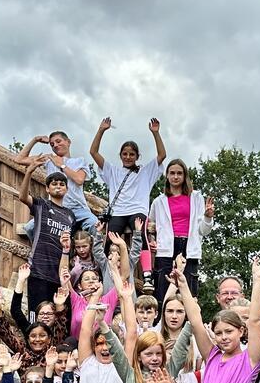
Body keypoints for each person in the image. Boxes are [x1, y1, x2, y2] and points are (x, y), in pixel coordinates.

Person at [88, 116, 166, 275]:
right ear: (120, 155)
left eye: (131, 154)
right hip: (118, 211)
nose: (128, 157)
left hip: (137, 209)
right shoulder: (113, 171)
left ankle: (147, 273)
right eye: (125, 154)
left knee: (142, 234)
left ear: (137, 156)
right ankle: (106, 273)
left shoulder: (145, 172)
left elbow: (162, 155)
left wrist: (156, 133)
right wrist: (101, 130)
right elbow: (93, 152)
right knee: (110, 240)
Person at [148, 158, 213, 304]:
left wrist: (208, 217)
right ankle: (161, 324)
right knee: (163, 291)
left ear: (185, 176)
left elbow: (203, 230)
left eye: (179, 173)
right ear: (167, 176)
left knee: (189, 292)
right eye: (172, 173)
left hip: (189, 248)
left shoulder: (195, 197)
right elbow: (150, 225)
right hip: (165, 249)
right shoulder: (159, 201)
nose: (175, 177)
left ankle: (189, 325)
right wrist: (152, 241)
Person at [17, 162, 75, 316]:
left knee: (57, 318)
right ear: (47, 188)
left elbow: (69, 247)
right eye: (54, 184)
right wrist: (29, 171)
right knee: (36, 317)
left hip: (59, 277)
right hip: (38, 271)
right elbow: (22, 197)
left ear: (67, 190)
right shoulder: (41, 205)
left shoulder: (70, 216)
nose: (58, 186)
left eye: (62, 184)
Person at [14, 130, 101, 233]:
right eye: (52, 144)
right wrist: (35, 140)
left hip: (78, 209)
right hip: (55, 208)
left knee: (94, 225)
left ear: (68, 142)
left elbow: (79, 179)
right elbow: (19, 160)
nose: (55, 145)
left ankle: (97, 249)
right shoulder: (49, 160)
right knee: (30, 228)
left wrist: (62, 165)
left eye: (58, 141)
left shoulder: (79, 161)